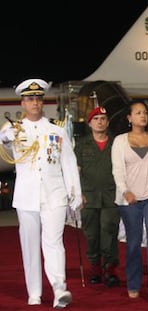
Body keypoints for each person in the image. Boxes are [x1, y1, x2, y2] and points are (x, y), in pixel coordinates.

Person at [0, 78, 82, 308]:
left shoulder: (56, 129)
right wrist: (5, 137)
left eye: (38, 98)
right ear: (23, 103)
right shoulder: (14, 130)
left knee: (54, 242)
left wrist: (74, 193)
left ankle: (59, 289)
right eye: (30, 99)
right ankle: (34, 292)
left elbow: (68, 161)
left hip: (54, 194)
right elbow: (4, 142)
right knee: (29, 245)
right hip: (27, 196)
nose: (35, 103)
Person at [111, 101, 148, 304]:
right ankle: (134, 283)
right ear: (129, 118)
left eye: (144, 112)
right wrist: (125, 191)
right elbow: (117, 170)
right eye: (138, 113)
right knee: (134, 243)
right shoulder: (119, 141)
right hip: (130, 198)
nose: (143, 116)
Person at [74, 106, 120, 287]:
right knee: (92, 235)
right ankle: (95, 268)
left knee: (109, 231)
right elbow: (75, 172)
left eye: (103, 118)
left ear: (107, 122)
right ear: (89, 123)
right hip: (89, 197)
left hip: (111, 196)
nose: (100, 122)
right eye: (96, 119)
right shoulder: (82, 145)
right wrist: (78, 194)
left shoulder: (116, 143)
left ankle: (110, 268)